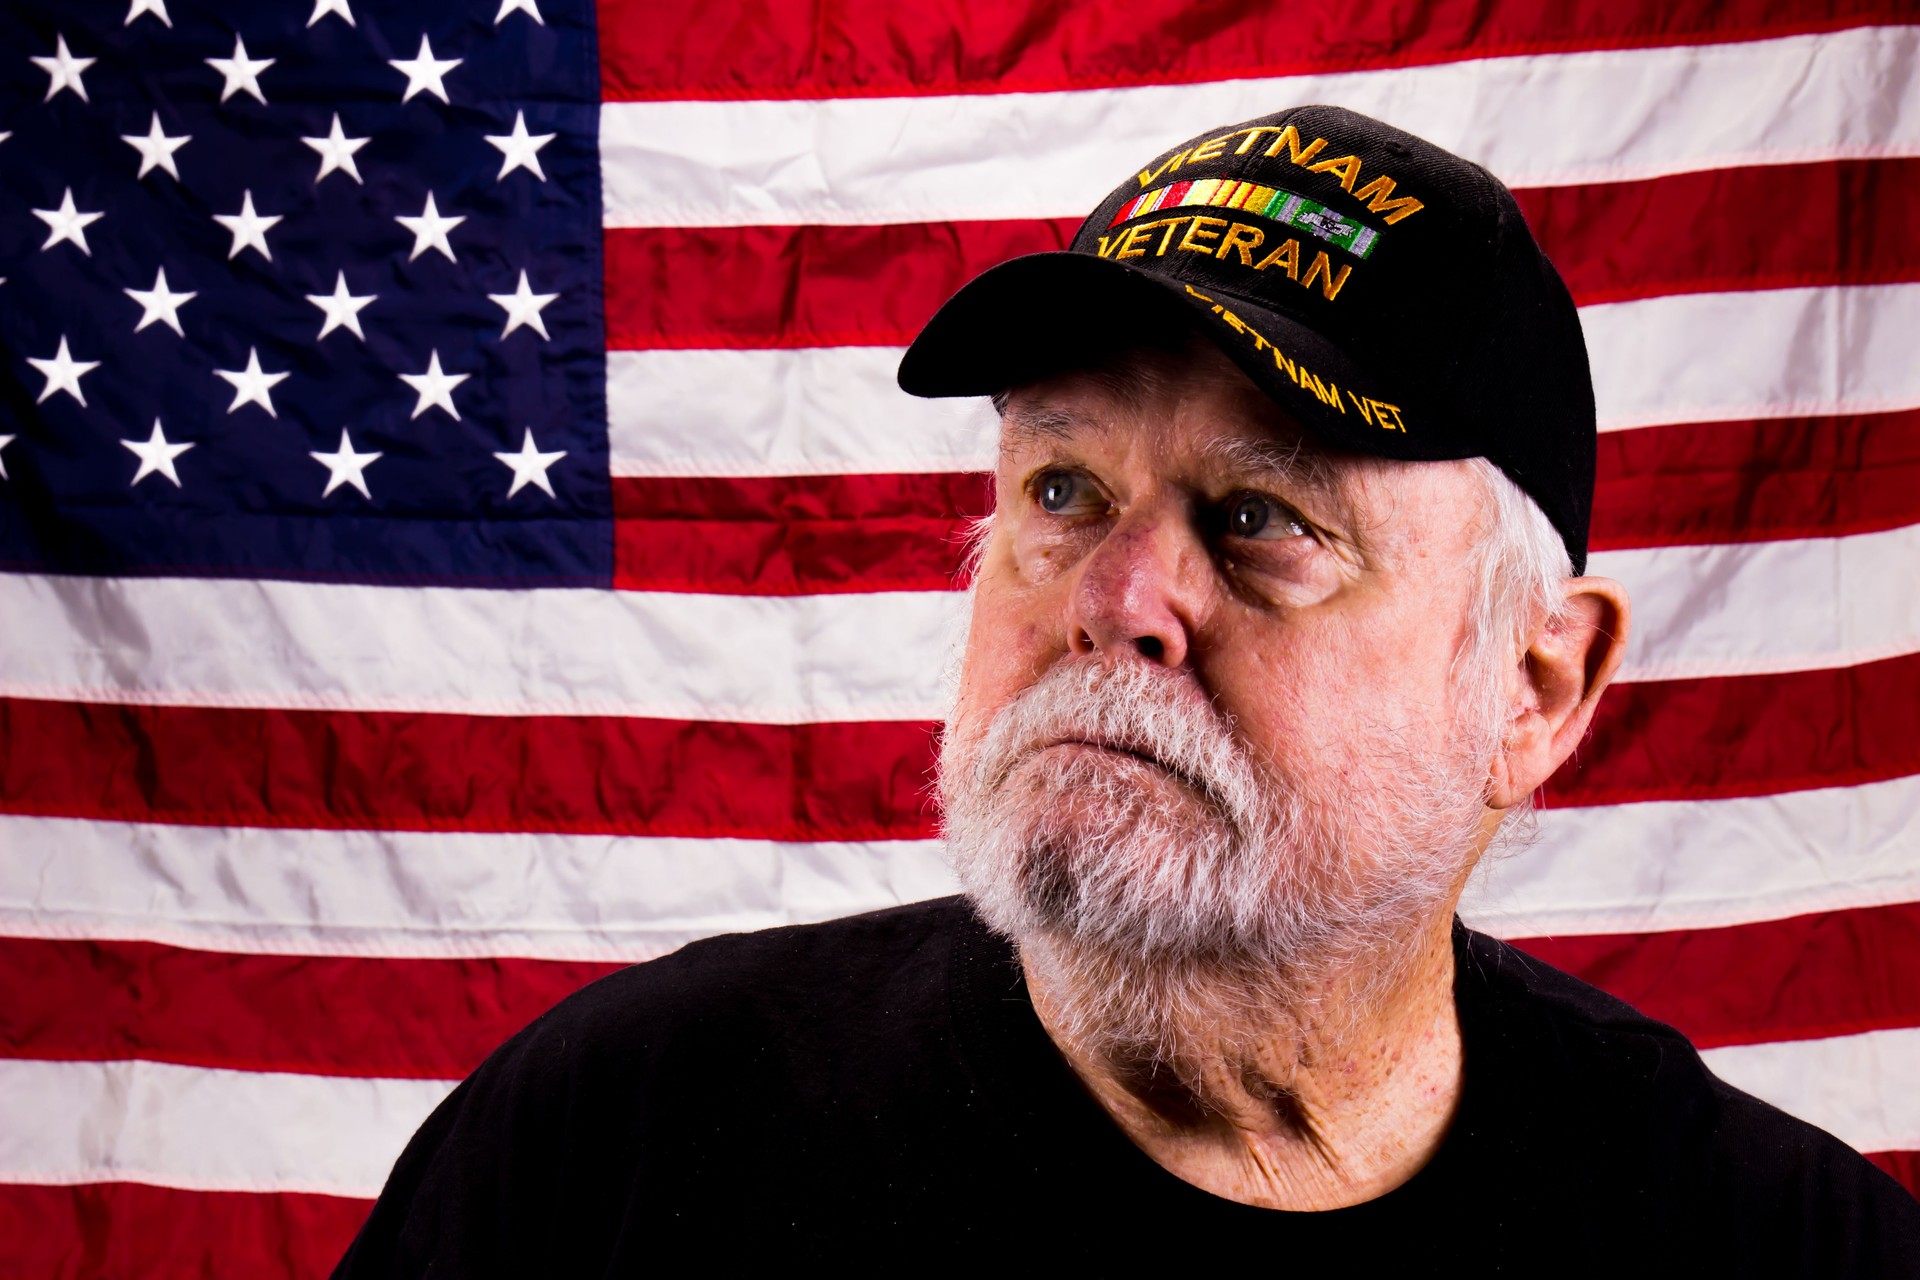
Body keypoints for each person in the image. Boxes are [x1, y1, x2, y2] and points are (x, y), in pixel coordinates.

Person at [333, 105, 1920, 1272]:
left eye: (1260, 520)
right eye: (1063, 492)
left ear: (1534, 683)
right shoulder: (616, 1148)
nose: (1117, 601)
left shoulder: (1778, 1255)